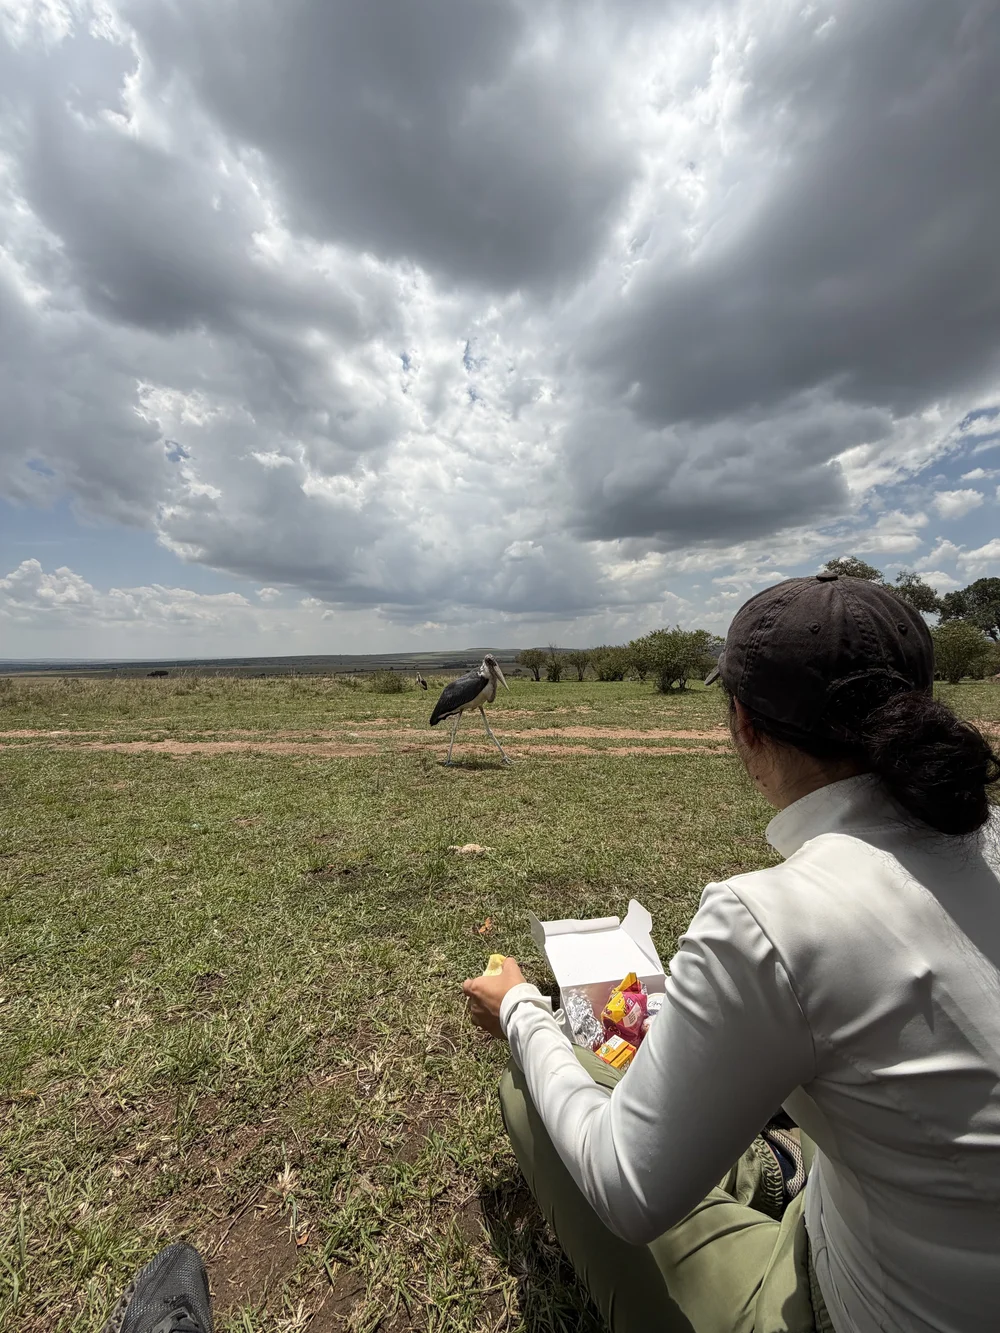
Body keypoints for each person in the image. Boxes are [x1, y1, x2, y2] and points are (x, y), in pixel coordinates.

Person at [463, 573, 1000, 1333]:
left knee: (535, 1082)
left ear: (744, 724)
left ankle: (766, 1179)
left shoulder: (774, 916)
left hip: (854, 1306)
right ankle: (777, 1170)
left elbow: (627, 1192)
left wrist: (520, 1009)